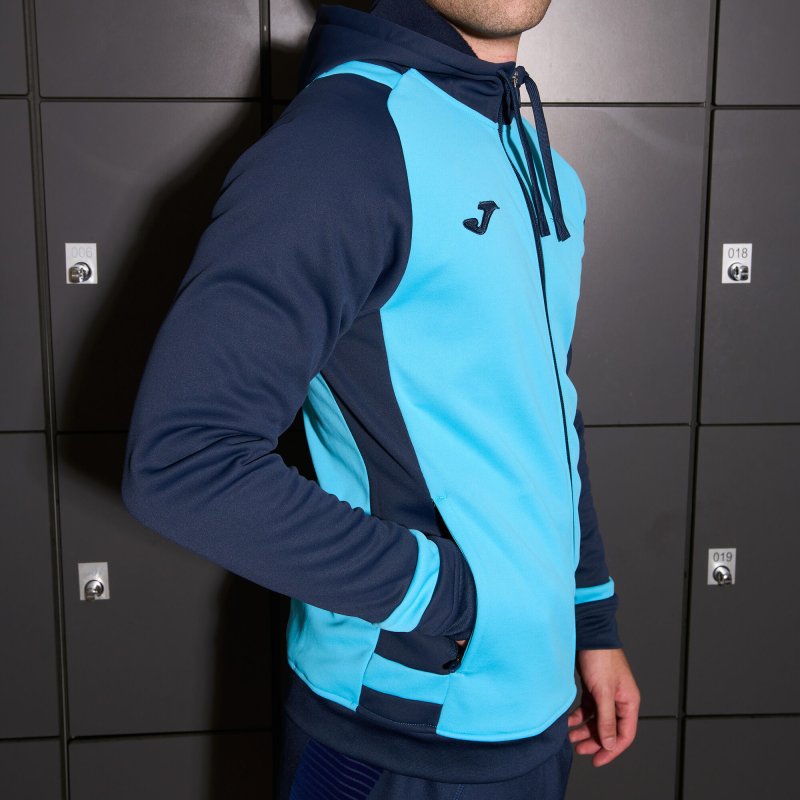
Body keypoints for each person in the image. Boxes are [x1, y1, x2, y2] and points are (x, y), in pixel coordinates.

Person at [120, 0, 640, 797]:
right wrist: (458, 602)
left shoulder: (541, 165)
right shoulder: (344, 143)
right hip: (396, 732)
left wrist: (590, 621)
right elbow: (182, 461)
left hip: (533, 713)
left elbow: (547, 416)